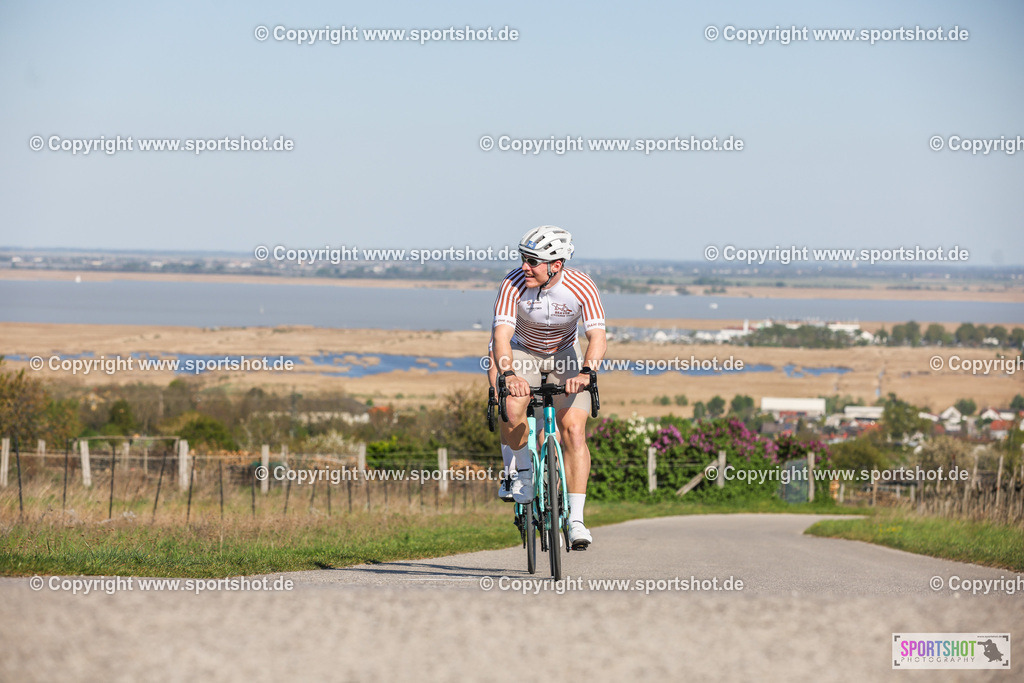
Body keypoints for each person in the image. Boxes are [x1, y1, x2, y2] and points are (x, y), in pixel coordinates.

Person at [491, 226, 606, 549]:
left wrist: (586, 372)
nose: (524, 267)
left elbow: (597, 336)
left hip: (565, 354)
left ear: (556, 265)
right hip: (523, 350)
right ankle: (522, 473)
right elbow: (501, 336)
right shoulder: (512, 283)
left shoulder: (581, 286)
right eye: (523, 259)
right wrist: (509, 374)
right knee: (511, 405)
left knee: (573, 431)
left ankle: (576, 520)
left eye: (532, 261)